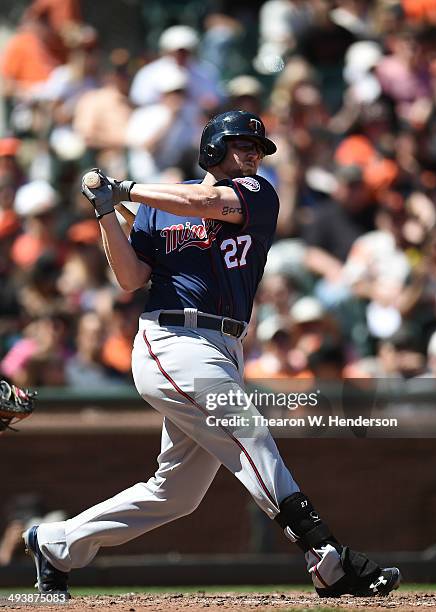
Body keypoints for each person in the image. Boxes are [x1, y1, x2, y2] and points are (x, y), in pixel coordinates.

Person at [23, 110, 400, 599]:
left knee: (175, 493)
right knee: (250, 432)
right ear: (212, 148)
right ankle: (325, 555)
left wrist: (124, 189)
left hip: (224, 345)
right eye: (242, 145)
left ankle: (56, 542)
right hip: (173, 339)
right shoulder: (158, 203)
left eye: (257, 149)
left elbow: (202, 201)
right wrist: (105, 212)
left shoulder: (255, 194)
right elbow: (131, 278)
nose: (252, 156)